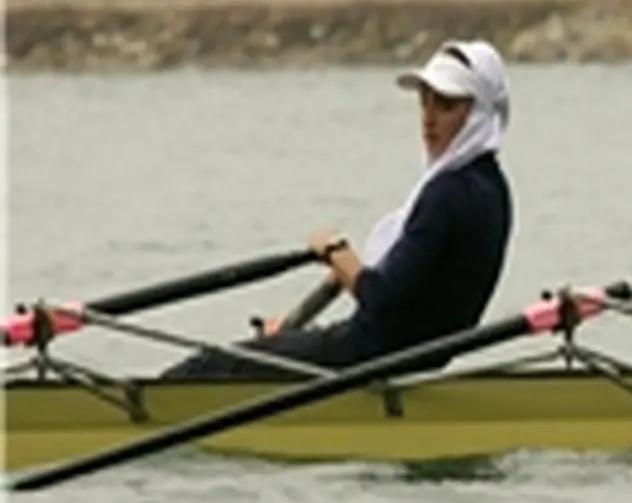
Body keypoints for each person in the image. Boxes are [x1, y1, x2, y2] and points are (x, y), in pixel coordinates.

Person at [160, 40, 515, 380]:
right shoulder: (495, 189)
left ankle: (142, 408)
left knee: (212, 365)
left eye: (446, 105)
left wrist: (335, 252)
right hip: (412, 357)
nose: (429, 119)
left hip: (369, 356)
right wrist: (292, 331)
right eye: (425, 102)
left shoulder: (447, 194)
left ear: (478, 114)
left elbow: (380, 298)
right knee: (272, 347)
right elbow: (415, 291)